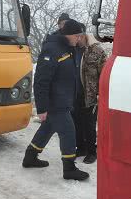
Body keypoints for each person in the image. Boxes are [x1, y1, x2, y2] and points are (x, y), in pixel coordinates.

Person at [22, 19, 89, 181]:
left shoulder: (68, 48)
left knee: (47, 129)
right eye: (77, 36)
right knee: (68, 132)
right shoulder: (52, 49)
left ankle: (30, 157)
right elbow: (41, 81)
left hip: (63, 99)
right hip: (55, 102)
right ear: (68, 35)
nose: (79, 39)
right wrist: (42, 108)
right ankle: (69, 168)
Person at [73, 29, 107, 163]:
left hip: (91, 95)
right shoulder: (72, 50)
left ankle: (92, 152)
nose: (76, 41)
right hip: (75, 94)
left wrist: (100, 93)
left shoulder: (97, 51)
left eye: (77, 37)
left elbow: (104, 74)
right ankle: (80, 148)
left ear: (81, 36)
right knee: (77, 124)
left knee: (89, 125)